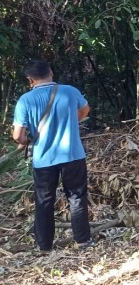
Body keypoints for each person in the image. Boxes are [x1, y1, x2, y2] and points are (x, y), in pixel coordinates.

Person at [11, 60, 91, 252]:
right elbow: (85, 110)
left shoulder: (25, 100)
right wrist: (70, 123)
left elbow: (17, 135)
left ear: (30, 80)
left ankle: (44, 246)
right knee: (77, 197)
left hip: (43, 159)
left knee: (44, 201)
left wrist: (25, 141)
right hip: (73, 154)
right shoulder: (70, 91)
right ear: (51, 73)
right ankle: (83, 241)